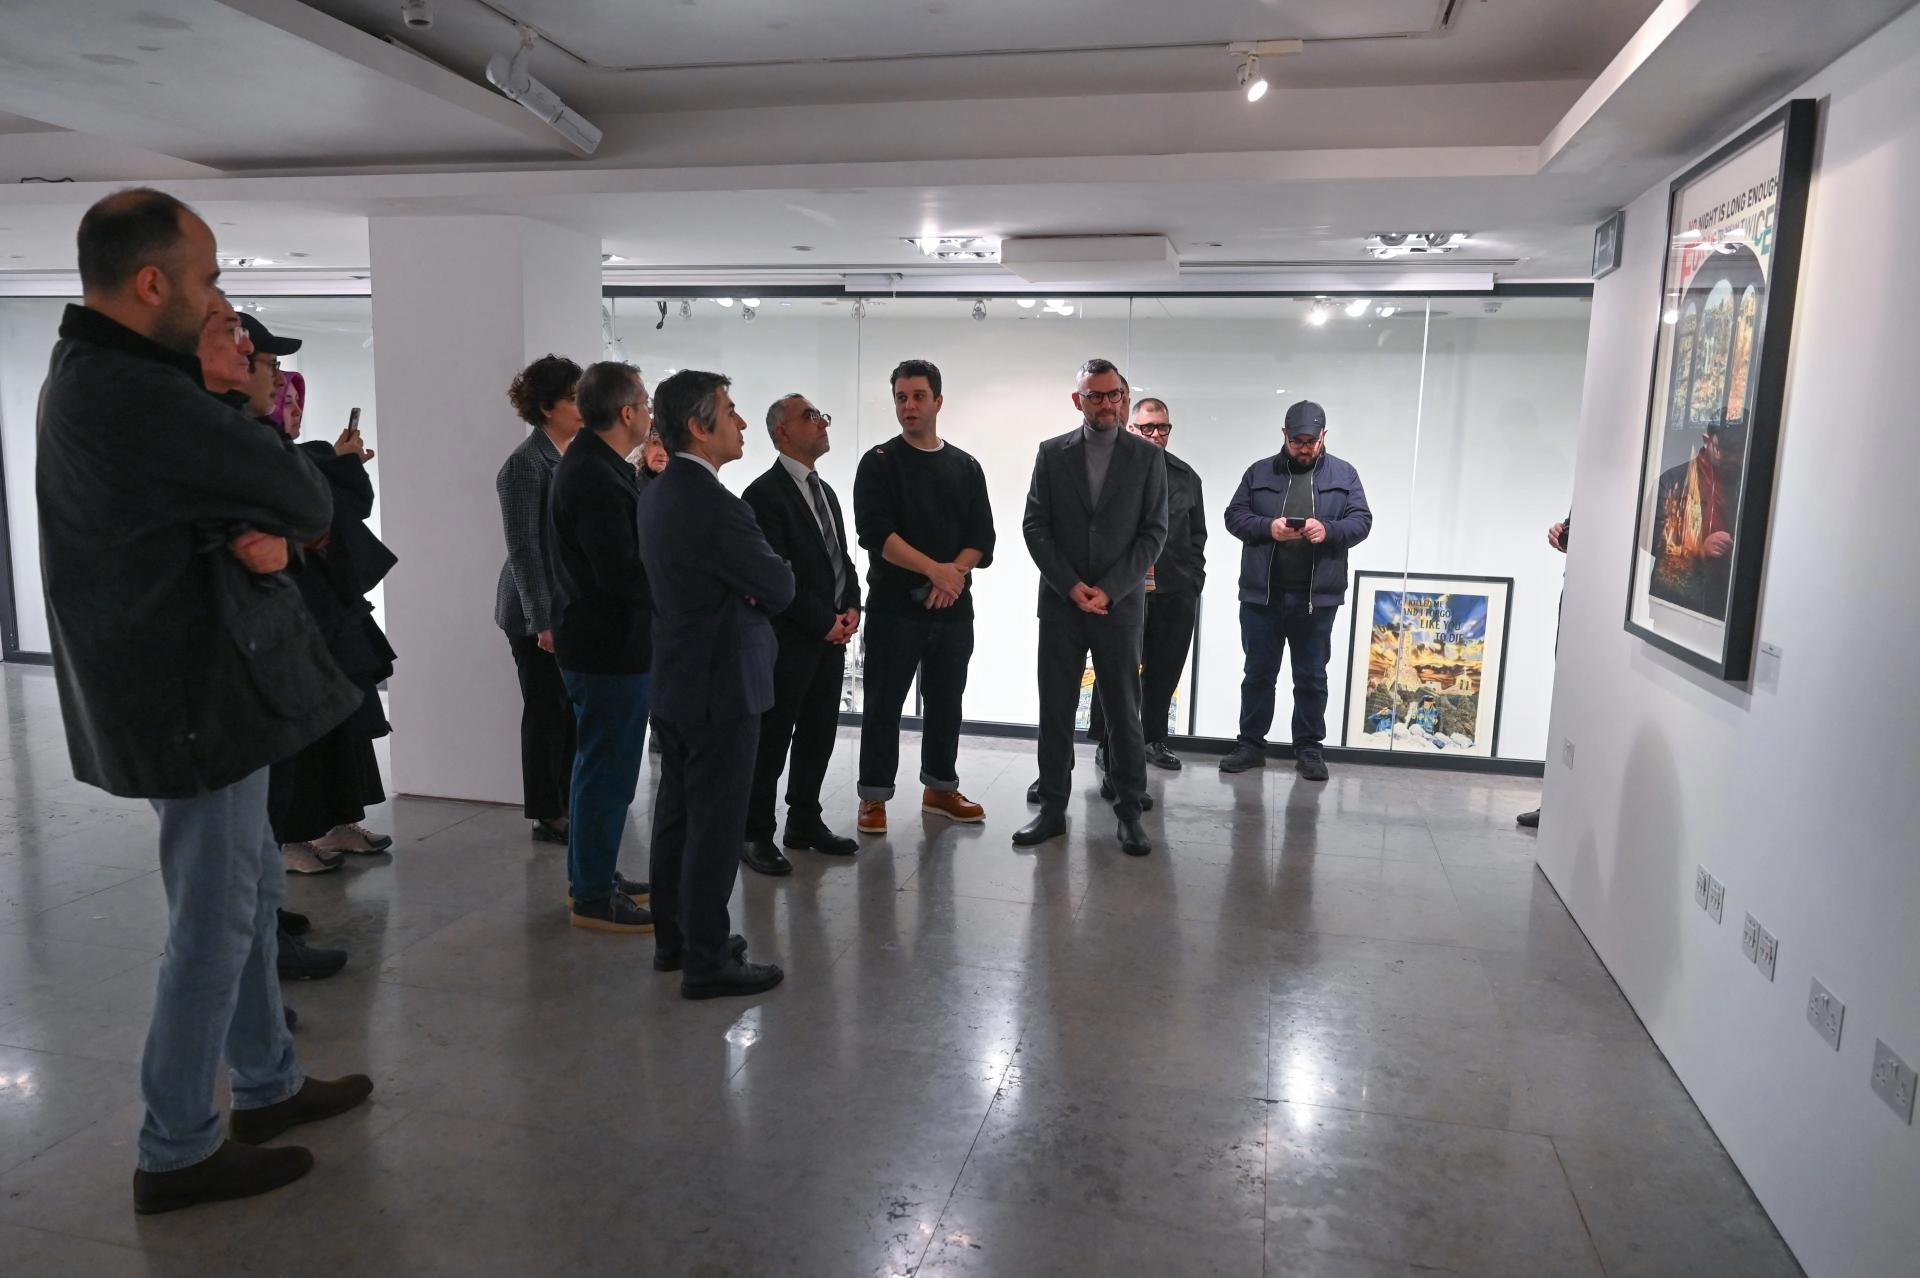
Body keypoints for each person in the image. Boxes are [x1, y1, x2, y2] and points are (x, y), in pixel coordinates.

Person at [38, 188, 370, 1214]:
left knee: (250, 891)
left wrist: (247, 512)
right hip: (193, 695)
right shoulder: (137, 391)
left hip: (198, 683)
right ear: (152, 283)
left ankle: (266, 1086)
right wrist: (241, 425)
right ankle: (176, 1148)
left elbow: (241, 511)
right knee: (215, 920)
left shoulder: (105, 375)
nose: (221, 300)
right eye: (210, 279)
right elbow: (306, 496)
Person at [193, 302, 350, 988]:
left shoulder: (248, 435)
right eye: (263, 361)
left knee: (263, 819)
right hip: (231, 672)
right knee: (231, 850)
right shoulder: (212, 436)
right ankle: (262, 955)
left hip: (266, 657)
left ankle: (269, 935)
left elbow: (312, 512)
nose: (275, 377)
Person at [639, 369, 795, 998]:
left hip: (677, 678)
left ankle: (675, 939)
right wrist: (755, 585)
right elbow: (779, 585)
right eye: (730, 411)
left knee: (677, 816)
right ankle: (707, 958)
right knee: (715, 827)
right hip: (722, 684)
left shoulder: (658, 492)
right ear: (699, 428)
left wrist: (746, 586)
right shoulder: (716, 505)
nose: (741, 422)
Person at [251, 321, 398, 878]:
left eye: (294, 400)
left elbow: (337, 510)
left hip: (326, 615)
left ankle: (337, 820)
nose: (289, 407)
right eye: (283, 395)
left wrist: (340, 465)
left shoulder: (299, 456)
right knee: (302, 737)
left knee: (344, 722)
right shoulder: (262, 456)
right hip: (292, 617)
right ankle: (291, 835)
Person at [1014, 359, 1168, 857]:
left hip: (1118, 607)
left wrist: (1111, 589)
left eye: (1113, 394)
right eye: (1095, 396)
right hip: (1063, 605)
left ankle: (1129, 812)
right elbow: (1035, 525)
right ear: (1077, 400)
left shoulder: (1146, 458)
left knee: (1123, 711)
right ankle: (1052, 810)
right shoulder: (1051, 453)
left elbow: (1154, 533)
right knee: (1056, 709)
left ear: (1123, 396)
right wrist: (1071, 585)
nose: (1106, 404)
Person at [850, 359, 996, 836]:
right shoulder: (878, 462)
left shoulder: (965, 466)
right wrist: (937, 571)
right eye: (900, 397)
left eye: (917, 396)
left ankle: (940, 788)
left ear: (938, 400)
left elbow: (982, 537)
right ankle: (874, 795)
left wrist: (951, 577)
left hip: (953, 609)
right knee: (883, 704)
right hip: (894, 610)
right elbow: (876, 534)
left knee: (946, 701)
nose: (908, 405)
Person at [548, 361, 658, 933]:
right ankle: (592, 894)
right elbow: (621, 572)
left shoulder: (598, 464)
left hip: (604, 641)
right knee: (607, 772)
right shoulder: (593, 474)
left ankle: (592, 876)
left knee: (599, 766)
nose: (650, 413)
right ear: (626, 411)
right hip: (608, 646)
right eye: (645, 402)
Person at [740, 394, 862, 876]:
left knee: (818, 733)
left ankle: (804, 820)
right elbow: (775, 574)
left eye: (822, 415)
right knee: (772, 738)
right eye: (810, 416)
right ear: (782, 431)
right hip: (787, 639)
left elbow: (840, 557)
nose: (822, 422)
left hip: (829, 637)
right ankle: (754, 833)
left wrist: (852, 605)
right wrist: (822, 620)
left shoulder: (824, 491)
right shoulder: (762, 495)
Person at [1221, 400, 1373, 781]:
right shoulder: (1258, 472)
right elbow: (1233, 517)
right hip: (1262, 596)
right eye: (1296, 441)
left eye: (1310, 442)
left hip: (1315, 600)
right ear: (1284, 435)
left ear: (1324, 436)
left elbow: (1361, 521)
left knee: (1311, 678)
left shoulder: (1345, 474)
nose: (1304, 448)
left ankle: (1308, 749)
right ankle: (1250, 745)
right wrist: (1267, 527)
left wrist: (1329, 530)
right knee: (1258, 674)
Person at [1091, 396, 1206, 770]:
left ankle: (1153, 739)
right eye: (1148, 427)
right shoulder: (1109, 472)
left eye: (1163, 428)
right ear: (1131, 428)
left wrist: (1194, 581)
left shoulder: (1186, 477)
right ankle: (1107, 742)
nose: (1156, 434)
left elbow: (1197, 535)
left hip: (1174, 591)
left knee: (1164, 670)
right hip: (1123, 591)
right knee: (1114, 670)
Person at [497, 355, 583, 846]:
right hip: (534, 609)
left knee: (568, 710)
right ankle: (548, 812)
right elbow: (524, 550)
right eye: (573, 399)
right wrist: (541, 619)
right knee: (547, 711)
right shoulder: (525, 464)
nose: (582, 407)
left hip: (566, 605)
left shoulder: (572, 455)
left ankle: (566, 800)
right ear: (547, 407)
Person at [1517, 513, 1570, 829]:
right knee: (1565, 704)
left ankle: (1563, 804)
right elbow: (1570, 531)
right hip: (1578, 596)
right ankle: (1555, 801)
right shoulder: (1590, 493)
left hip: (1606, 606)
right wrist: (1562, 535)